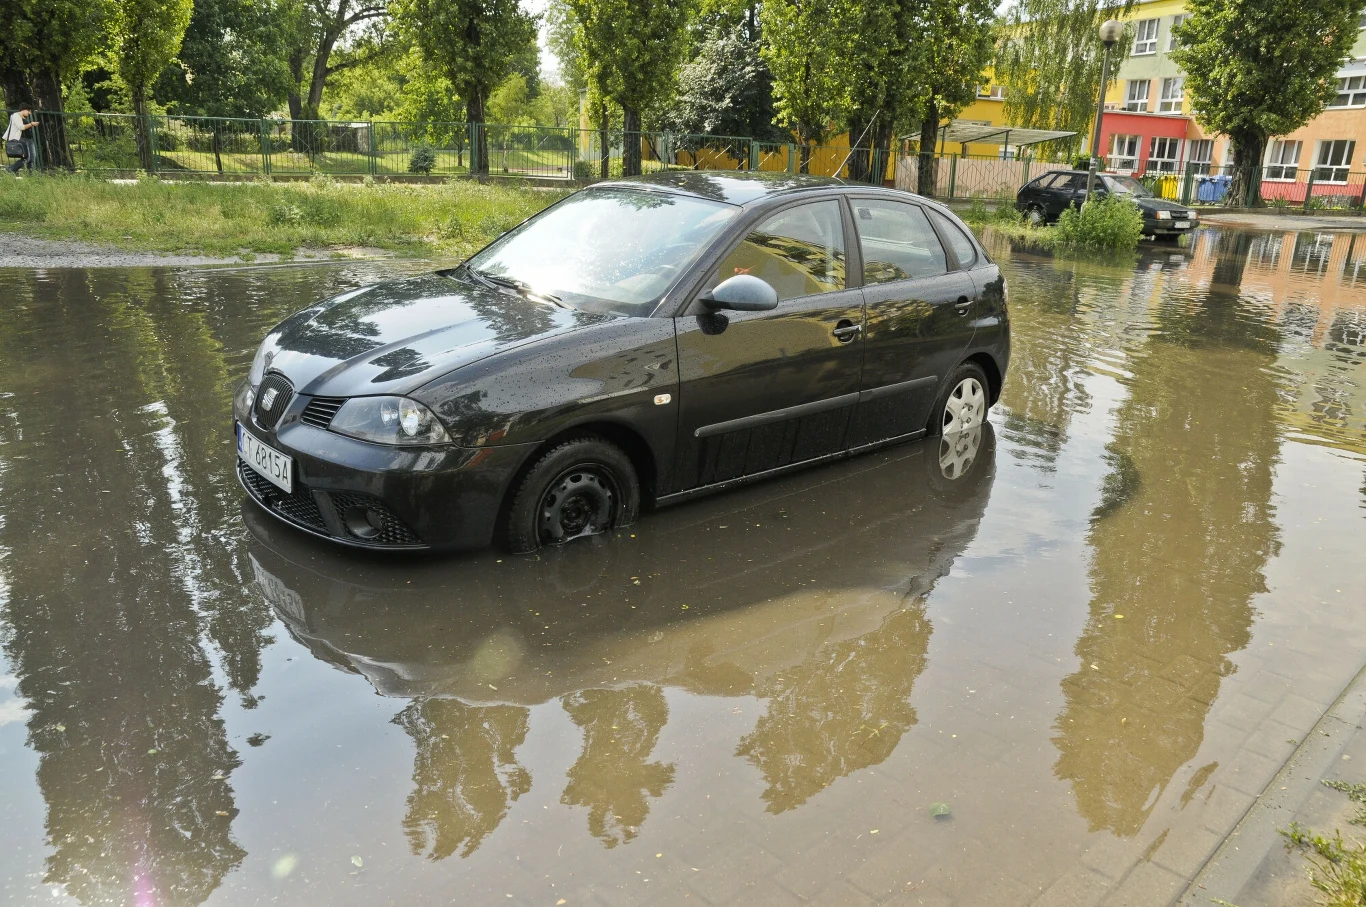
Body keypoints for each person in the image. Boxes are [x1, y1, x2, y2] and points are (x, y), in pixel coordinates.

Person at [5, 107, 39, 174]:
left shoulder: (24, 117)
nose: (29, 113)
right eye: (29, 111)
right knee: (27, 158)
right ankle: (10, 169)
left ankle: (31, 174)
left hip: (30, 140)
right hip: (23, 140)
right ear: (24, 109)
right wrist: (31, 124)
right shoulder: (15, 115)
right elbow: (21, 127)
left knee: (32, 158)